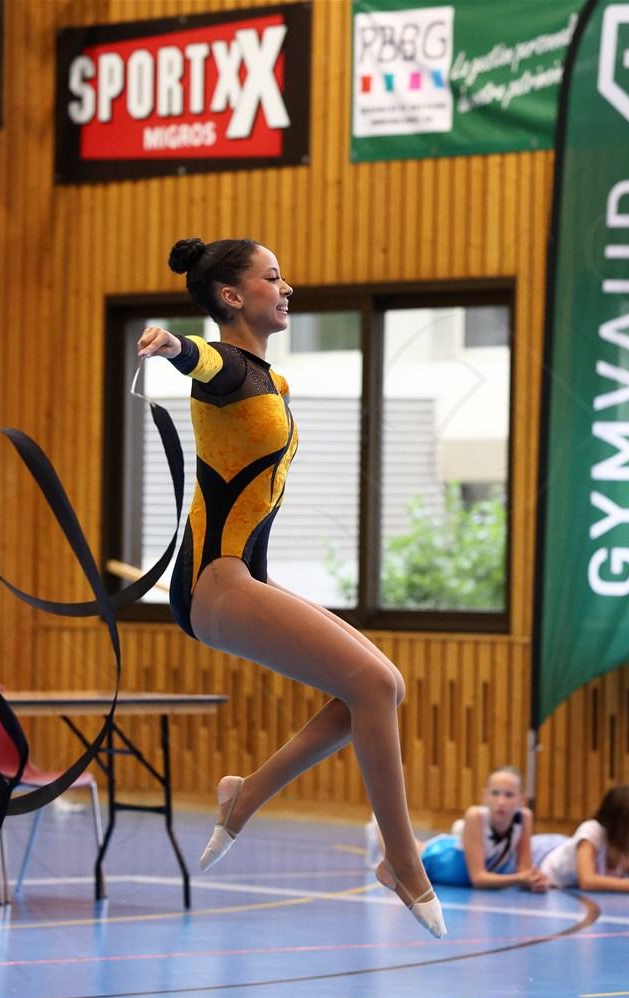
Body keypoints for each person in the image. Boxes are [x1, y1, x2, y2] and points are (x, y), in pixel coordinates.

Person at [136, 236, 443, 937]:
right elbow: (204, 360)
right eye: (272, 277)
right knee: (372, 685)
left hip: (242, 576)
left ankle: (244, 796)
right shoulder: (226, 373)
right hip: (211, 582)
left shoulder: (271, 384)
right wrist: (173, 345)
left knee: (384, 689)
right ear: (231, 296)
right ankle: (402, 860)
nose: (287, 288)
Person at [419, 766, 562, 892]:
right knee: (411, 851)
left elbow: (524, 871)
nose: (501, 802)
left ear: (522, 799)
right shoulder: (475, 815)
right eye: (495, 793)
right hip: (434, 859)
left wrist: (535, 881)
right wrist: (521, 878)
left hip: (460, 873)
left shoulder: (524, 817)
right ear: (485, 796)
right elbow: (478, 879)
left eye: (509, 795)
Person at [539, 785, 629, 894]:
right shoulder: (591, 831)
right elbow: (587, 881)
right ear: (626, 824)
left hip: (575, 889)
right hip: (552, 878)